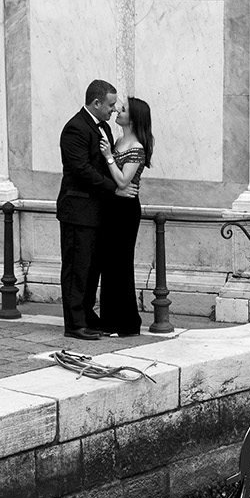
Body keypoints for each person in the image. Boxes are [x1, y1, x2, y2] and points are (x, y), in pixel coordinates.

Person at [56, 80, 133, 339]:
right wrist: (116, 188)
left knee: (90, 269)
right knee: (77, 268)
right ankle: (75, 324)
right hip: (78, 210)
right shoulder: (75, 128)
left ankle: (87, 317)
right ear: (96, 103)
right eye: (110, 105)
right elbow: (82, 169)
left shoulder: (103, 129)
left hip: (97, 212)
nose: (114, 110)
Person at [95, 96, 153, 337]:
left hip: (126, 210)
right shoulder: (119, 139)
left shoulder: (136, 146)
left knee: (121, 264)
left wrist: (108, 156)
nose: (118, 110)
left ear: (134, 117)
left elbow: (122, 180)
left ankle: (128, 323)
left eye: (124, 109)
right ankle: (109, 321)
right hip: (113, 207)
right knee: (109, 264)